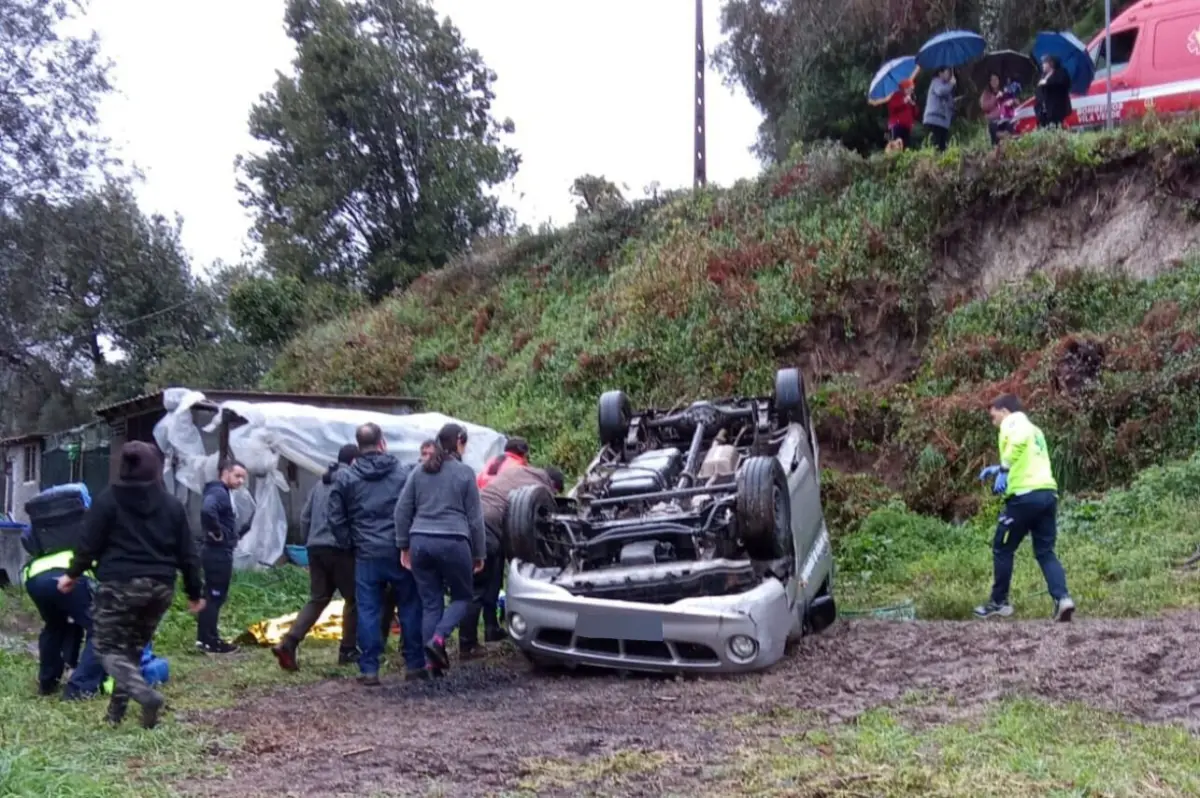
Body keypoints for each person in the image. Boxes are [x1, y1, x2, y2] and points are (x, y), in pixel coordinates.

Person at [58, 442, 205, 729]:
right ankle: (115, 715)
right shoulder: (172, 505)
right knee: (132, 651)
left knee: (106, 649)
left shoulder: (108, 500)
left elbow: (88, 544)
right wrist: (194, 592)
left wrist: (72, 574)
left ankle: (145, 695)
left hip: (119, 585)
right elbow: (188, 554)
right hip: (160, 588)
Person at [328, 422, 424, 686]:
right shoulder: (403, 473)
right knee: (410, 606)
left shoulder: (346, 477)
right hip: (400, 550)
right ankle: (415, 664)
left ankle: (369, 669)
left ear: (358, 446)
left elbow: (335, 517)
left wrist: (350, 543)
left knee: (369, 611)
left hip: (367, 553)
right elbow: (416, 507)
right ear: (382, 443)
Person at [395, 423, 486, 674]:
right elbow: (475, 520)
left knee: (431, 604)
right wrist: (479, 553)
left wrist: (404, 545)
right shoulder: (465, 473)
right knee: (463, 597)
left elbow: (402, 510)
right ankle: (438, 640)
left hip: (420, 542)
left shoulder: (419, 471)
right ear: (459, 442)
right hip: (454, 542)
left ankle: (429, 663)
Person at [976, 394, 1075, 622]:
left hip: (1024, 496)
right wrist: (999, 468)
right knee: (1045, 552)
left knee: (1002, 547)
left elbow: (1018, 442)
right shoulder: (1035, 429)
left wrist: (1003, 469)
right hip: (1047, 494)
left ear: (1004, 411)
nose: (993, 422)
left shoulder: (1014, 423)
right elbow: (1028, 457)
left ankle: (999, 602)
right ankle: (1063, 599)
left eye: (993, 416)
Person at [460, 461, 565, 659]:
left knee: (492, 581)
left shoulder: (517, 471)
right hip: (487, 527)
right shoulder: (541, 490)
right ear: (553, 484)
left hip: (472, 520)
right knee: (478, 588)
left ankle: (491, 629)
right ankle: (467, 645)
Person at [273, 443, 361, 671]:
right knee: (354, 599)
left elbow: (304, 516)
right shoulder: (351, 481)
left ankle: (289, 642)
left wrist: (309, 541)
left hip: (315, 547)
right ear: (354, 462)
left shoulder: (321, 483)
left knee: (318, 598)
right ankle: (348, 650)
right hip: (339, 549)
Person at [24, 546, 106, 700]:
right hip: (68, 575)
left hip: (33, 577)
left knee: (56, 625)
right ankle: (80, 689)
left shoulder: (59, 544)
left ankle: (48, 683)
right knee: (101, 630)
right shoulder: (91, 549)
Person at [196, 458, 248, 654]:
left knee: (209, 596)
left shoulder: (220, 491)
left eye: (243, 477)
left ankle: (203, 638)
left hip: (215, 552)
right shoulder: (218, 492)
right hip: (217, 553)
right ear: (225, 473)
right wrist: (217, 533)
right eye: (237, 476)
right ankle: (211, 640)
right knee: (215, 597)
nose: (241, 481)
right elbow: (208, 510)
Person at [923, 68, 956, 151]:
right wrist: (951, 84)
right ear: (940, 73)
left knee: (942, 150)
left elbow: (950, 104)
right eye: (947, 72)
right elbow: (940, 91)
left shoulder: (948, 87)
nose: (949, 75)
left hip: (943, 123)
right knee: (934, 148)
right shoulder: (936, 82)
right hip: (933, 121)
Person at [1036, 55, 1072, 128]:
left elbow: (1062, 83)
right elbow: (1039, 90)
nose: (1042, 65)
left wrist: (1047, 82)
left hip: (1056, 108)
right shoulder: (1043, 75)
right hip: (1044, 110)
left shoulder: (1061, 72)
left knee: (1056, 127)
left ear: (1051, 63)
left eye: (1044, 63)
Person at [980, 73, 1016, 146]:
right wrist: (995, 98)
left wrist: (1012, 101)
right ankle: (1000, 142)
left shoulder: (1004, 90)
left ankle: (1008, 139)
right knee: (993, 126)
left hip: (1005, 117)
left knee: (1010, 124)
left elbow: (1014, 100)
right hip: (994, 119)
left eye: (996, 79)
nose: (994, 82)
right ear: (989, 82)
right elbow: (985, 107)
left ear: (999, 80)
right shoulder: (986, 93)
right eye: (992, 80)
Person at [886, 78, 918, 150]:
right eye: (910, 89)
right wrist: (903, 101)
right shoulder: (896, 95)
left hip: (907, 127)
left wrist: (912, 105)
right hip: (897, 125)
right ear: (905, 88)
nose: (911, 91)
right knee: (896, 147)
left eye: (912, 89)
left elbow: (915, 114)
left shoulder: (911, 97)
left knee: (905, 147)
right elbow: (892, 108)